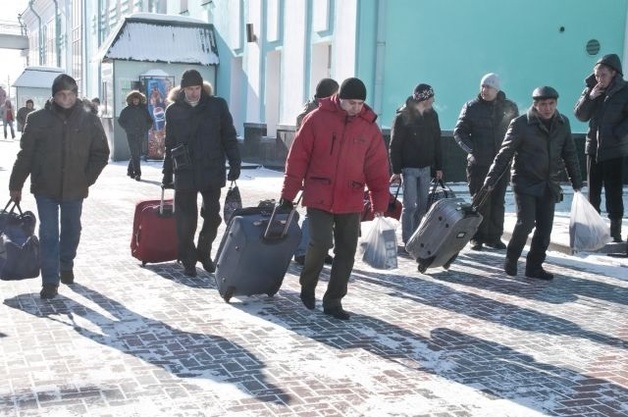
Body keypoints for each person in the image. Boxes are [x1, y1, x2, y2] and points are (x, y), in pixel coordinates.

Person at [280, 77, 391, 320]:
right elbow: (297, 158)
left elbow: (378, 169)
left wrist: (379, 204)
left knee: (346, 251)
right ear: (340, 99)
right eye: (351, 103)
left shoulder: (368, 127)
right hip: (319, 194)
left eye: (360, 103)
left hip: (350, 198)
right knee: (319, 243)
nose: (356, 108)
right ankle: (307, 285)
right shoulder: (316, 119)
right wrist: (288, 195)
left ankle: (333, 300)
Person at [8, 74, 110, 299]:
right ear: (54, 96)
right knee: (49, 232)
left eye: (71, 94)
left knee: (73, 229)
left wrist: (86, 179)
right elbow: (26, 155)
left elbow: (101, 153)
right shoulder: (37, 119)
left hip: (75, 187)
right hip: (45, 186)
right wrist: (16, 184)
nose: (67, 99)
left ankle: (66, 263)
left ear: (76, 95)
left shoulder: (89, 120)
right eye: (62, 95)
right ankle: (50, 281)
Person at [484, 86, 582, 280]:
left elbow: (570, 153)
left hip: (549, 184)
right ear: (535, 105)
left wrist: (577, 181)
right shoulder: (521, 124)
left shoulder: (563, 123)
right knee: (525, 223)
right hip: (525, 182)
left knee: (545, 229)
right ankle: (511, 257)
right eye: (543, 104)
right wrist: (491, 179)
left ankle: (534, 266)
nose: (548, 108)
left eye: (551, 104)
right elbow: (505, 154)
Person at [161, 69, 241, 277]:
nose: (194, 93)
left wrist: (235, 162)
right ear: (183, 89)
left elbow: (229, 136)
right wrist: (166, 173)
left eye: (197, 89)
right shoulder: (173, 110)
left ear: (202, 87)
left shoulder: (217, 106)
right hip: (185, 170)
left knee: (212, 217)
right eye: (189, 89)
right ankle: (188, 259)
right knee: (185, 219)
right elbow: (169, 144)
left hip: (211, 168)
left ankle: (203, 253)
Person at [454, 73, 519, 251]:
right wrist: (473, 150)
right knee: (479, 200)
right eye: (482, 86)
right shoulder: (471, 107)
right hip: (478, 163)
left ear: (497, 89)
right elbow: (459, 132)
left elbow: (516, 133)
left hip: (501, 164)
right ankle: (477, 237)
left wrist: (510, 154)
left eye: (488, 87)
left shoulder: (509, 107)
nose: (484, 90)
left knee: (498, 201)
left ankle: (494, 237)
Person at [574, 53, 628, 243]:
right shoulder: (591, 89)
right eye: (597, 74)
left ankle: (615, 232)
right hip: (593, 148)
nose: (599, 78)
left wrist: (617, 134)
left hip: (614, 149)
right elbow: (580, 115)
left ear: (614, 73)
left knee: (614, 191)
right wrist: (590, 97)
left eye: (603, 74)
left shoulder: (625, 90)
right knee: (593, 191)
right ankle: (593, 231)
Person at [389, 83, 443, 246]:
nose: (433, 100)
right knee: (410, 206)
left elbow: (437, 141)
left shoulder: (432, 115)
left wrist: (438, 167)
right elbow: (395, 145)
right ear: (424, 99)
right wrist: (396, 170)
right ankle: (408, 240)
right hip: (409, 168)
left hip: (426, 167)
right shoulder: (403, 116)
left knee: (422, 206)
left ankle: (418, 238)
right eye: (431, 97)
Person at [293, 78, 340, 265]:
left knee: (329, 210)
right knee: (314, 212)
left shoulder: (323, 111)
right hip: (314, 170)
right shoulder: (311, 114)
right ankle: (303, 250)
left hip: (329, 169)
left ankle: (321, 249)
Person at [118, 90, 153, 181]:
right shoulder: (127, 110)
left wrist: (145, 128)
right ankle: (138, 173)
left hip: (141, 134)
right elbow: (121, 121)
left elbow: (150, 121)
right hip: (131, 134)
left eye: (137, 99)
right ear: (131, 100)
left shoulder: (143, 110)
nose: (136, 101)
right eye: (134, 100)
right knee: (135, 153)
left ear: (140, 100)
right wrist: (127, 128)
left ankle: (130, 170)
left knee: (137, 153)